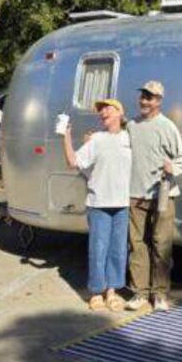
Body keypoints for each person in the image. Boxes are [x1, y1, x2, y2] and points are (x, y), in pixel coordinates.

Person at [62, 99, 132, 312]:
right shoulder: (97, 139)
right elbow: (73, 162)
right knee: (98, 250)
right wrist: (65, 136)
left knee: (118, 250)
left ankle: (112, 291)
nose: (103, 112)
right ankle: (96, 292)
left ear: (120, 113)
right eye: (101, 110)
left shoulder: (130, 138)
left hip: (122, 204)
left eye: (108, 108)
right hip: (99, 203)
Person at [125, 81, 182, 312]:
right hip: (134, 194)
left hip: (162, 195)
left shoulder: (167, 126)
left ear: (159, 101)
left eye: (149, 97)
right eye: (142, 96)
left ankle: (160, 294)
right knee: (137, 245)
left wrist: (173, 167)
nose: (144, 101)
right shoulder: (131, 125)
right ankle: (140, 293)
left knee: (161, 245)